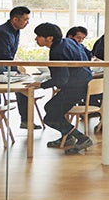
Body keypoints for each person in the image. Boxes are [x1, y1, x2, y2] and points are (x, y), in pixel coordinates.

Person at [26, 23, 94, 154]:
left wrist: (41, 85)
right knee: (52, 109)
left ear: (49, 38)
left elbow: (61, 79)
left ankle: (81, 138)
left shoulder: (57, 51)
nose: (36, 39)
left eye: (38, 36)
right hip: (83, 82)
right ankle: (67, 137)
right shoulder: (68, 41)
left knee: (50, 116)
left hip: (76, 87)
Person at [0, 6, 34, 128]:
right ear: (15, 19)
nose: (27, 22)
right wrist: (17, 68)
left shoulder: (16, 30)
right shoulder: (3, 32)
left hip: (7, 66)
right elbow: (3, 55)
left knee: (25, 86)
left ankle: (26, 120)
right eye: (25, 19)